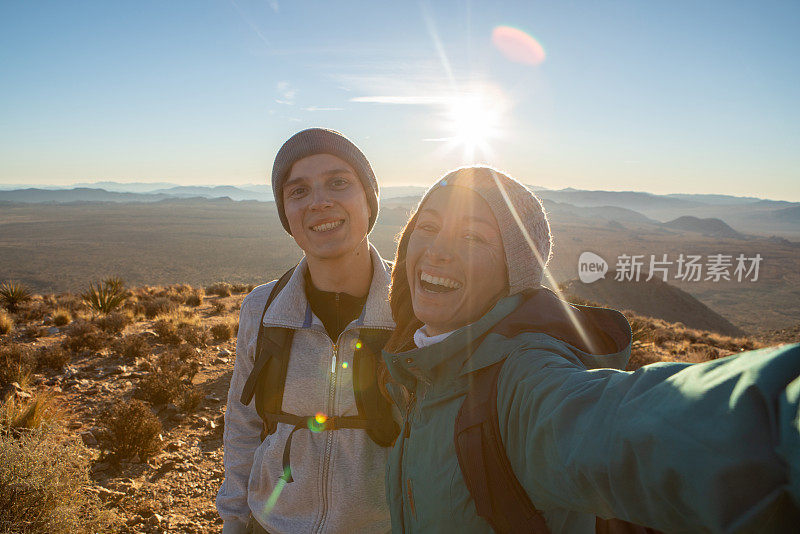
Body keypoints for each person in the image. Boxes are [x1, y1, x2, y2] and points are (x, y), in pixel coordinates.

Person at [380, 165, 800, 533]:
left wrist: (783, 415)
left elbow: (635, 429)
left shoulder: (522, 381)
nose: (437, 250)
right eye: (428, 227)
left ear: (514, 273)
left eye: (473, 237)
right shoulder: (417, 368)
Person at [217, 128, 398, 533]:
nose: (319, 201)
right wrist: (233, 520)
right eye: (298, 191)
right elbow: (244, 423)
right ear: (286, 215)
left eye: (338, 182)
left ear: (368, 200)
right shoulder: (262, 309)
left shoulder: (413, 310)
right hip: (273, 523)